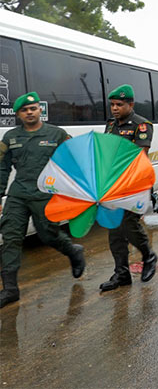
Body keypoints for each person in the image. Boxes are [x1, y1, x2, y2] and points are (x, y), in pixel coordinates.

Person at [0, 92, 86, 308]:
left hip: (45, 194)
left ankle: (73, 251)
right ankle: (10, 289)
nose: (29, 112)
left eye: (33, 108)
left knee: (49, 235)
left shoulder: (57, 134)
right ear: (18, 114)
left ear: (40, 110)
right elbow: (2, 167)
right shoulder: (10, 137)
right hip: (18, 193)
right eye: (24, 110)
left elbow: (73, 161)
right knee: (10, 236)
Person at [100, 84, 158, 292]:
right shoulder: (110, 125)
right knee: (114, 230)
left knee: (129, 225)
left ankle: (148, 255)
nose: (114, 108)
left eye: (119, 104)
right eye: (112, 105)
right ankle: (121, 274)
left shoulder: (141, 125)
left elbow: (139, 156)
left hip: (134, 184)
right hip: (113, 184)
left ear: (130, 104)